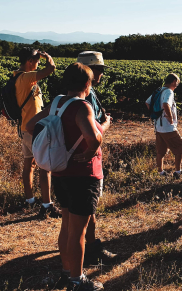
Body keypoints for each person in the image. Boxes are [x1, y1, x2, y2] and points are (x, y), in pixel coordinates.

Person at [27, 63, 106, 291]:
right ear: (87, 84)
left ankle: (65, 271)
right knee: (78, 231)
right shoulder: (83, 107)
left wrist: (56, 141)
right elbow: (93, 139)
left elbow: (32, 125)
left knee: (66, 226)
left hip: (60, 173)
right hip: (83, 175)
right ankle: (77, 279)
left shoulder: (56, 103)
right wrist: (91, 151)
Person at [76, 51, 116, 265]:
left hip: (72, 163)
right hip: (87, 160)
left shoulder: (66, 95)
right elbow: (95, 131)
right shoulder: (87, 97)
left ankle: (82, 251)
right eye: (99, 69)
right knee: (87, 209)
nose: (102, 74)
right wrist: (107, 123)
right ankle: (90, 251)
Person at [16, 47, 60, 218]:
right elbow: (51, 69)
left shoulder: (17, 76)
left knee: (29, 164)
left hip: (24, 129)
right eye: (37, 61)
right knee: (44, 166)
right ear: (30, 61)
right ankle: (47, 205)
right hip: (33, 130)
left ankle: (30, 200)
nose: (39, 63)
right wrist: (48, 56)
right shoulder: (26, 77)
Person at [145, 73, 182, 179]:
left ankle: (160, 172)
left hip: (158, 126)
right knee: (180, 148)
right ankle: (178, 172)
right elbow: (166, 104)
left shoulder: (159, 90)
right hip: (167, 127)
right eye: (177, 83)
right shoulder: (169, 91)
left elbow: (147, 102)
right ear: (173, 81)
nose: (177, 85)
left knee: (161, 150)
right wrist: (170, 118)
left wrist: (155, 114)